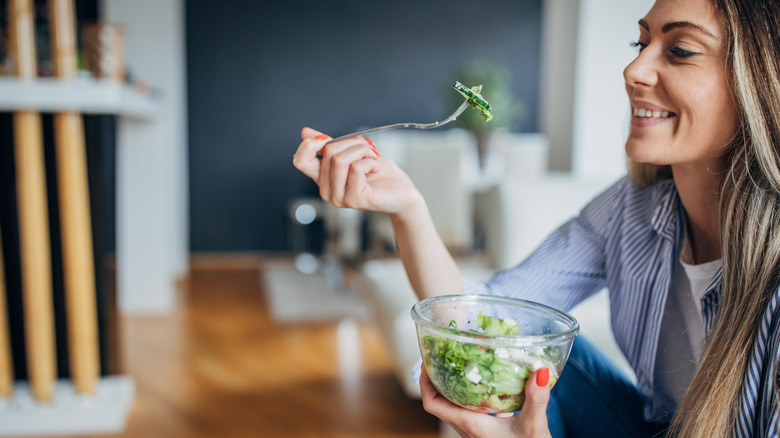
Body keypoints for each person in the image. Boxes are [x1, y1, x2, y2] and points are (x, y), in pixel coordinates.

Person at [293, 0, 780, 435]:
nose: (634, 68)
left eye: (680, 50)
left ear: (758, 80)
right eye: (642, 41)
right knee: (541, 351)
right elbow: (483, 323)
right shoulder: (631, 210)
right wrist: (408, 208)